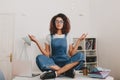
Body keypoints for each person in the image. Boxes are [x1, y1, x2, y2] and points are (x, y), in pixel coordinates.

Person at [29, 13, 87, 79]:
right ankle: (65, 72)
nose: (59, 23)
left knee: (81, 55)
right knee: (39, 58)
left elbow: (71, 53)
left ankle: (57, 73)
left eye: (61, 21)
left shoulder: (68, 36)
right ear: (54, 23)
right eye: (57, 21)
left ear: (64, 23)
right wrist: (36, 41)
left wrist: (79, 41)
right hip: (53, 63)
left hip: (67, 62)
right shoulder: (49, 37)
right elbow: (47, 55)